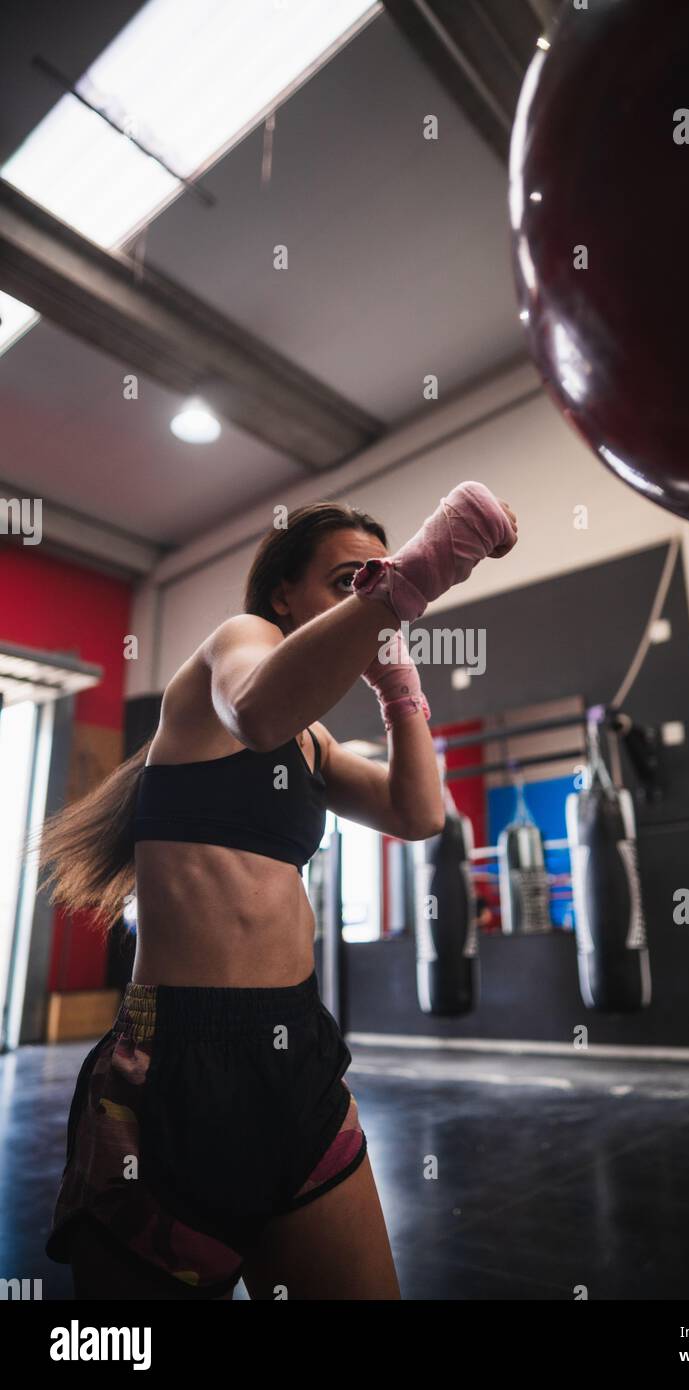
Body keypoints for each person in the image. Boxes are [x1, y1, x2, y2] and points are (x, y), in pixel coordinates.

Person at [36, 480, 518, 1300]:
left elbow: (417, 811)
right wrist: (416, 576)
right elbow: (256, 712)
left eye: (379, 578)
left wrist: (399, 685)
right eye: (347, 581)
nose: (368, 594)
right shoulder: (235, 648)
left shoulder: (316, 738)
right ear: (283, 597)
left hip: (295, 1054)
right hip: (176, 1060)